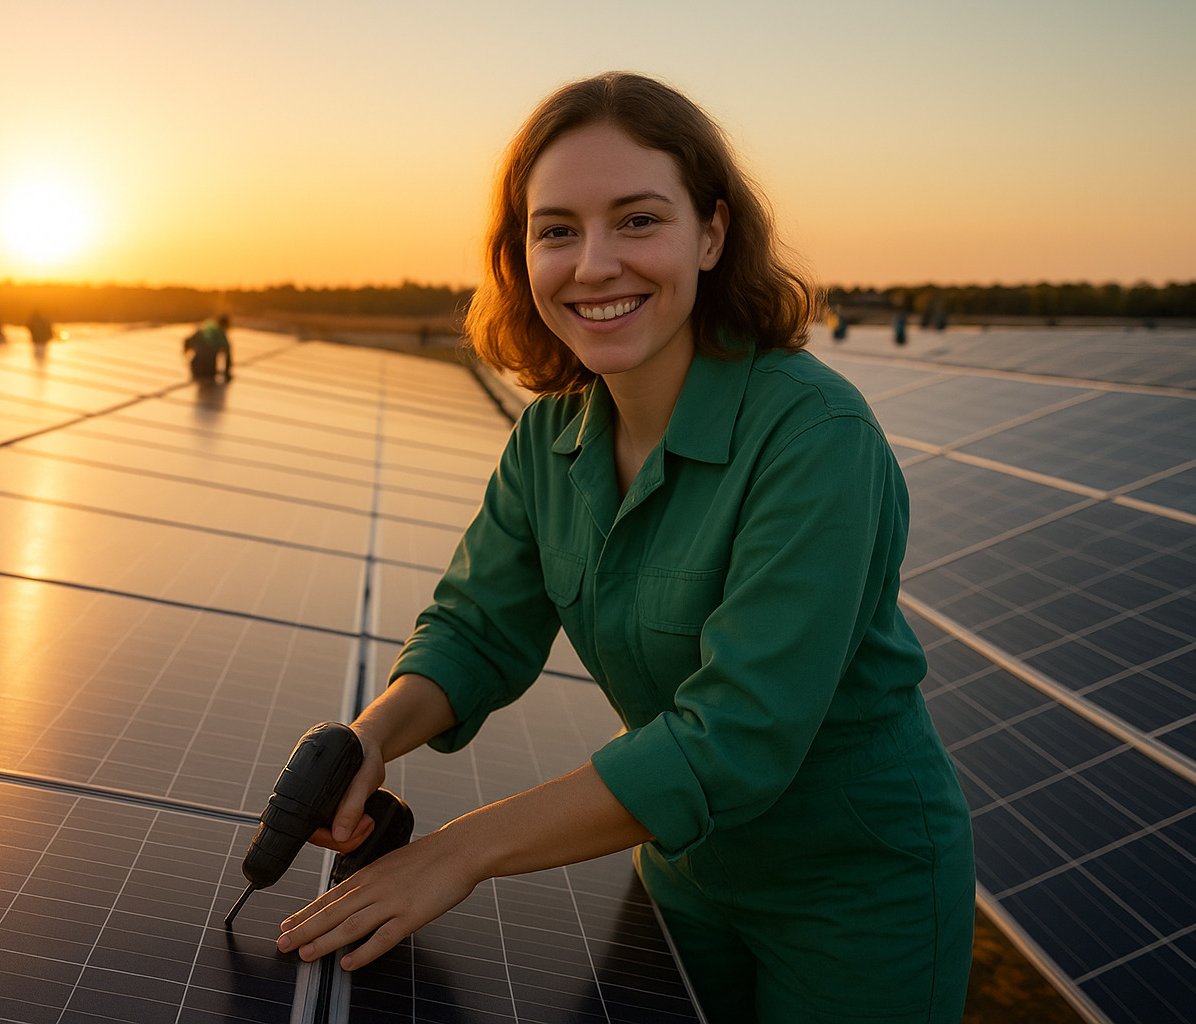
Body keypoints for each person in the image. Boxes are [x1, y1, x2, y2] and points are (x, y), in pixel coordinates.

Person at [277, 72, 975, 1024]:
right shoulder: (550, 435)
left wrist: (457, 851)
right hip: (681, 870)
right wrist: (371, 738)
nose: (593, 264)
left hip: (853, 888)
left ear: (713, 234)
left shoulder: (815, 437)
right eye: (556, 229)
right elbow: (478, 629)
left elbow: (736, 738)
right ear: (521, 254)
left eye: (638, 220)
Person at [184, 314, 233, 382]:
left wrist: (185, 355)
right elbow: (228, 356)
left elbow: (187, 341)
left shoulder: (204, 328)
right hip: (209, 370)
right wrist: (227, 375)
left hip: (195, 366)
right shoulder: (222, 336)